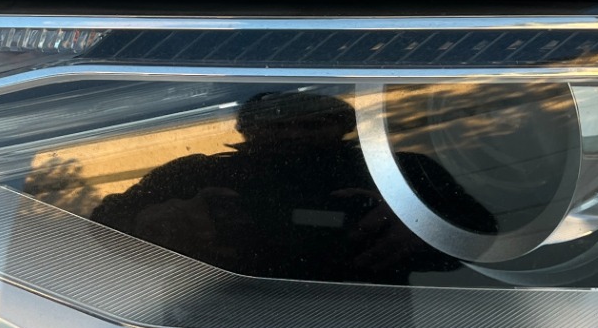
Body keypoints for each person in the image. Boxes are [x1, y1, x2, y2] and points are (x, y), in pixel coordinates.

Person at [90, 91, 494, 285]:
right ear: (246, 128)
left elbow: (483, 238)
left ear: (344, 126)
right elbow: (102, 226)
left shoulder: (400, 172)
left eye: (312, 123)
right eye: (276, 123)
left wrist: (418, 231)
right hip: (210, 327)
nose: (293, 134)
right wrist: (154, 220)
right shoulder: (194, 174)